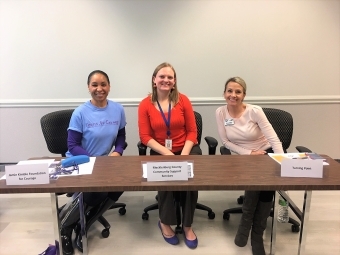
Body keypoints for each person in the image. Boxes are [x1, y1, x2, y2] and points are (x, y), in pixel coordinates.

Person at [60, 70, 127, 255]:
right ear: (88, 87)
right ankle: (65, 228)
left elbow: (121, 136)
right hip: (81, 160)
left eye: (103, 84)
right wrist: (94, 161)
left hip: (105, 162)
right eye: (95, 85)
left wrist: (118, 151)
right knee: (96, 190)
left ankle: (84, 225)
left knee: (120, 184)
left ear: (109, 86)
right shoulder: (80, 112)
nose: (99, 88)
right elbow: (72, 145)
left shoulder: (117, 109)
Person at [215, 77, 284, 255]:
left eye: (238, 91)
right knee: (256, 183)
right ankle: (246, 226)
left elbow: (273, 138)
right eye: (230, 91)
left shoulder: (255, 111)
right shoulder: (220, 112)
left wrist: (282, 161)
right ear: (224, 93)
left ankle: (255, 234)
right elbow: (225, 141)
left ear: (244, 94)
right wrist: (248, 154)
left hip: (265, 152)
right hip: (245, 157)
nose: (233, 95)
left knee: (264, 185)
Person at [138, 62, 201, 249]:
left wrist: (183, 155)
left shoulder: (183, 100)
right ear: (154, 80)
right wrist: (167, 153)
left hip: (186, 148)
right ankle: (165, 222)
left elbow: (192, 132)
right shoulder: (145, 104)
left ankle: (188, 225)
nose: (166, 80)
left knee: (190, 181)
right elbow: (145, 137)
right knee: (165, 181)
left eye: (170, 77)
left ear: (174, 82)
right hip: (160, 149)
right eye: (162, 76)